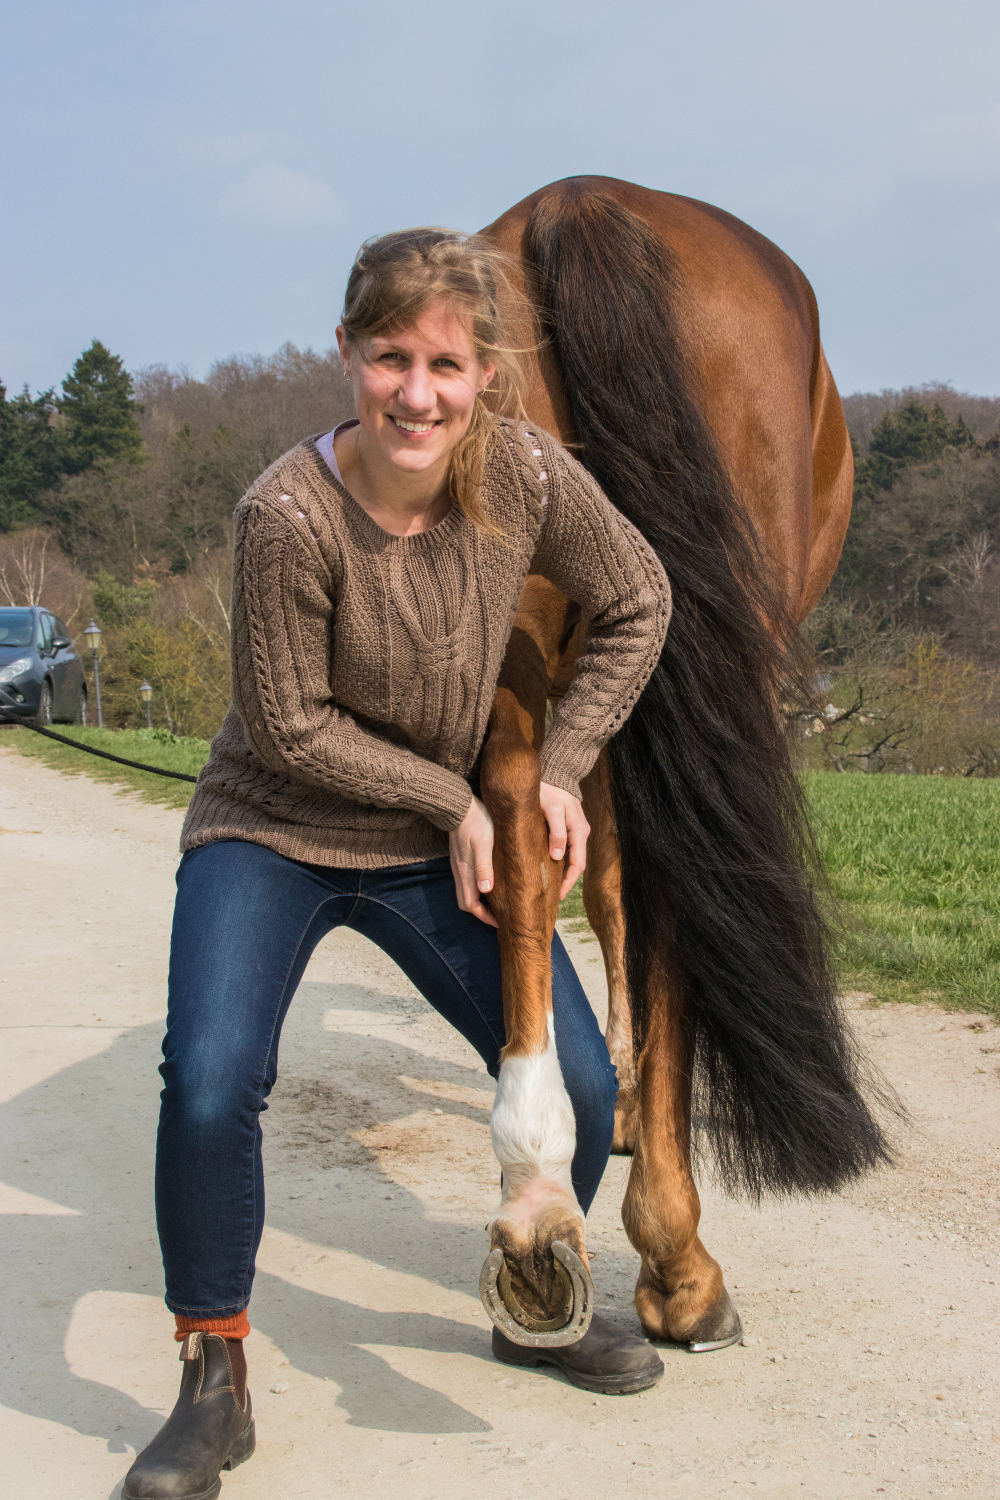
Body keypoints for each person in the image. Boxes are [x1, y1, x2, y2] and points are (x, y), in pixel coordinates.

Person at [122, 228, 673, 1500]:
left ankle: (527, 1292)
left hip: (438, 849)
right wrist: (455, 797)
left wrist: (558, 768)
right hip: (273, 826)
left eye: (443, 364)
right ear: (346, 356)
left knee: (585, 1092)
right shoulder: (285, 514)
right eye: (388, 359)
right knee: (208, 1080)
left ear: (483, 373)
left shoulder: (522, 476)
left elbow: (639, 597)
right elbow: (290, 727)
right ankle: (214, 1378)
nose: (415, 394)